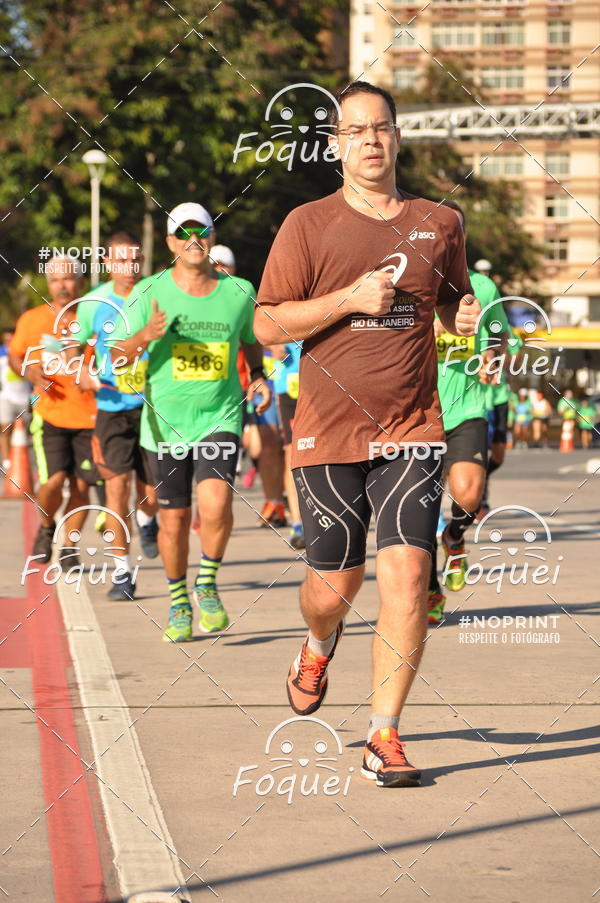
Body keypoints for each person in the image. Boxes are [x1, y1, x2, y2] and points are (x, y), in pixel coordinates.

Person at [254, 81, 480, 787]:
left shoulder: (440, 221)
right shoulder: (307, 225)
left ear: (398, 137)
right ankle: (318, 642)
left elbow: (449, 302)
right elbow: (266, 323)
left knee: (410, 573)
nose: (371, 140)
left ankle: (384, 733)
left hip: (412, 427)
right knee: (333, 585)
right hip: (327, 430)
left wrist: (461, 319)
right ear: (335, 146)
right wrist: (349, 299)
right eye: (355, 131)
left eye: (381, 127)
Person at [111, 202, 271, 641]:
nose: (193, 239)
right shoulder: (149, 291)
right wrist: (145, 335)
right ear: (170, 243)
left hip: (219, 416)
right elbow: (115, 354)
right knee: (174, 520)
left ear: (213, 236)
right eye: (183, 233)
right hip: (164, 425)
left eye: (202, 230)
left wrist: (258, 377)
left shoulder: (239, 290)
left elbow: (249, 340)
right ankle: (179, 599)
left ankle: (208, 583)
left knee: (217, 504)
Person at [427, 200, 510, 624]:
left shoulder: (484, 288)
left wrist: (494, 356)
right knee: (416, 514)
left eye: (455, 230)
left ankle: (454, 537)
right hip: (416, 415)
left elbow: (499, 339)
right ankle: (429, 591)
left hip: (467, 408)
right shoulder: (412, 282)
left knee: (469, 494)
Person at [74, 232, 159, 600]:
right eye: (122, 261)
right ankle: (123, 573)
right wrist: (80, 370)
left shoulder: (157, 293)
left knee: (152, 493)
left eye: (135, 260)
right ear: (108, 264)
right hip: (111, 408)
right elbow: (72, 349)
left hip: (154, 404)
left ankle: (148, 519)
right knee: (116, 489)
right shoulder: (93, 302)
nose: (130, 268)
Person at [9, 257, 99, 565]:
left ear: (80, 281)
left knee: (81, 486)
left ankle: (70, 547)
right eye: (57, 280)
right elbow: (16, 356)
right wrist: (30, 373)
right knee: (53, 481)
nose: (63, 285)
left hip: (91, 417)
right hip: (50, 415)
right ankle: (47, 527)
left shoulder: (96, 317)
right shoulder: (33, 320)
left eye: (69, 279)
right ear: (48, 283)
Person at [271, 340, 305, 549]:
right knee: (292, 452)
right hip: (290, 383)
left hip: (327, 381)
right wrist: (271, 345)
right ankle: (298, 523)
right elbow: (256, 324)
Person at [0, 326, 32, 469]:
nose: (9, 342)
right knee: (6, 428)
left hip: (25, 398)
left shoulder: (26, 353)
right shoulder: (1, 354)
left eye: (12, 339)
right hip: (6, 397)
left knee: (23, 431)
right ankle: (7, 462)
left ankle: (22, 463)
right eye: (6, 339)